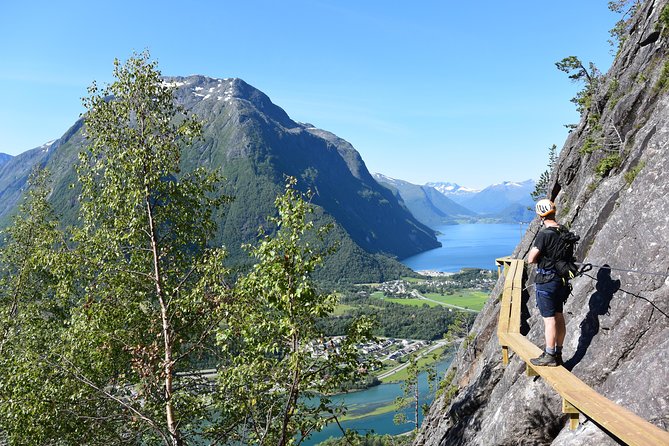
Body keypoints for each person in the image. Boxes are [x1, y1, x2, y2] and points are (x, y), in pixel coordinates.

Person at [527, 199, 570, 367]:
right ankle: (558, 352)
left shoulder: (545, 234)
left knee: (549, 320)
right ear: (554, 211)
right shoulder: (563, 230)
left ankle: (549, 354)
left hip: (547, 281)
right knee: (559, 316)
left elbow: (531, 259)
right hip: (561, 280)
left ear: (540, 215)